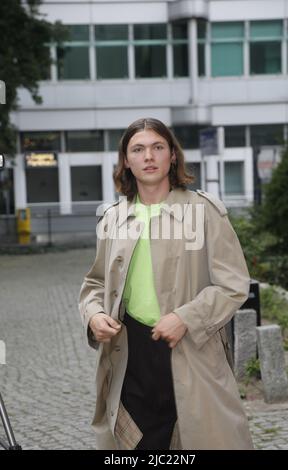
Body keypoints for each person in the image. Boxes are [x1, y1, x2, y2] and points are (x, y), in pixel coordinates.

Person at [78, 117, 254, 450]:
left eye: (158, 147)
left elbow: (233, 284)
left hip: (191, 352)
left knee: (197, 437)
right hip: (129, 355)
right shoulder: (113, 217)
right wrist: (94, 315)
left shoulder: (203, 211)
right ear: (126, 161)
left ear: (172, 155)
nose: (148, 156)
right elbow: (95, 283)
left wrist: (186, 318)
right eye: (138, 149)